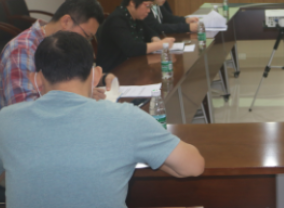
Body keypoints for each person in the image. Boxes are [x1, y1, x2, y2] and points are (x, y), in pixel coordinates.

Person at [0, 31, 204, 208]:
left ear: (37, 79)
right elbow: (193, 166)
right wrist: (152, 154)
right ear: (96, 75)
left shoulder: (5, 120)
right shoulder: (126, 119)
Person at [0, 0, 114, 108]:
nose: (85, 43)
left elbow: (72, 77)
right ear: (66, 21)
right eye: (86, 36)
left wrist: (101, 79)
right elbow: (23, 109)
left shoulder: (63, 45)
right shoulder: (21, 50)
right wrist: (79, 97)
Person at [96, 0, 175, 73]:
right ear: (132, 2)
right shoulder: (116, 20)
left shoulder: (135, 17)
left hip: (131, 68)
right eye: (147, 6)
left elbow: (150, 32)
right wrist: (161, 44)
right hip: (113, 72)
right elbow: (132, 48)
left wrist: (155, 38)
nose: (149, 10)